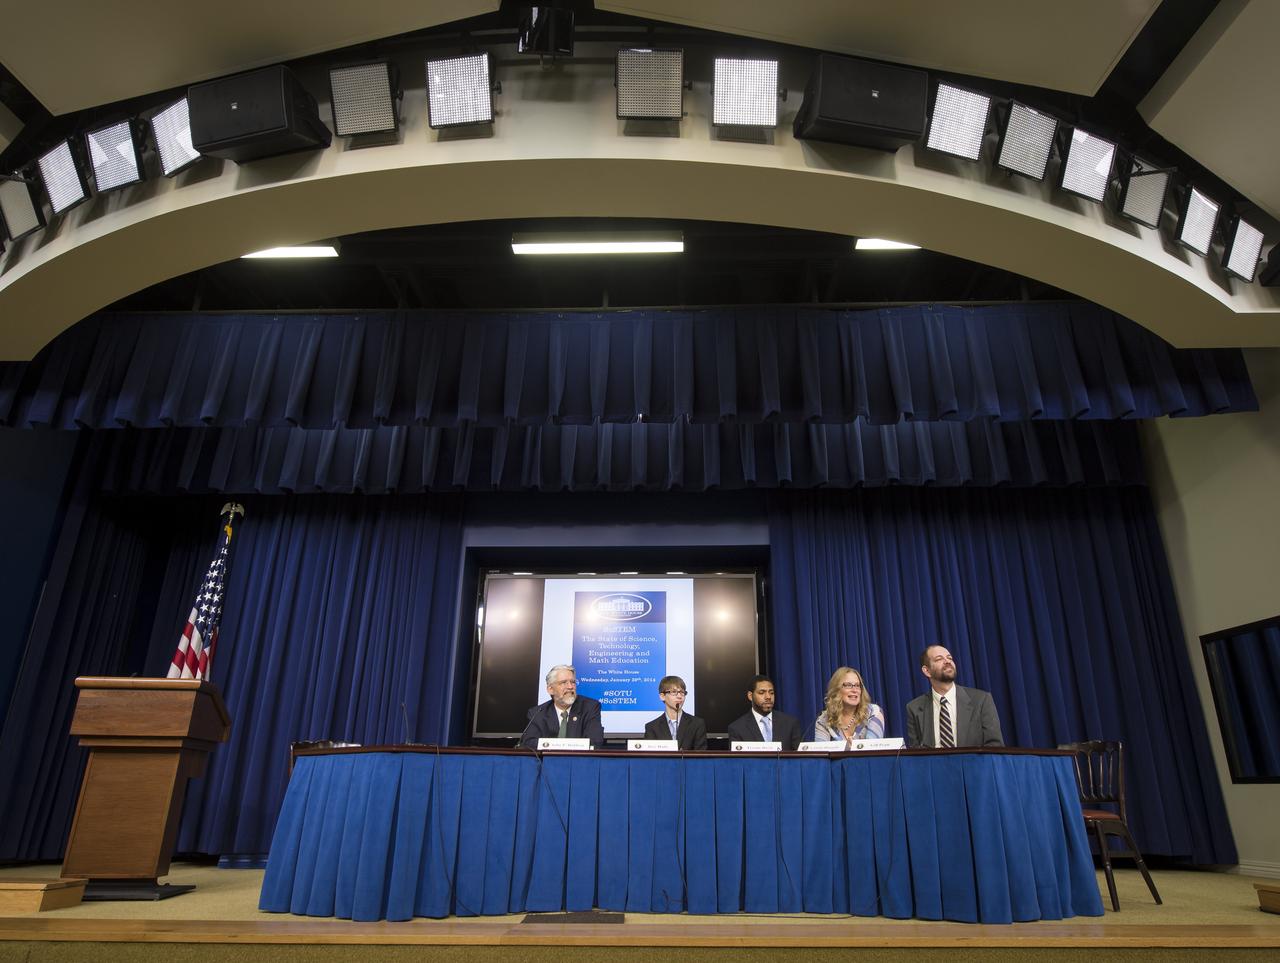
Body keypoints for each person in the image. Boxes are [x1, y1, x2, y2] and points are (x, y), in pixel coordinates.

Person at [904, 645, 1004, 748]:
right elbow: (916, 755)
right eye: (939, 659)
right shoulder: (914, 708)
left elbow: (995, 746)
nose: (947, 661)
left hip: (973, 763)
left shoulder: (981, 700)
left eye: (949, 658)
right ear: (927, 671)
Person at [521, 664, 605, 749]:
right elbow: (528, 743)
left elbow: (595, 741)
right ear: (551, 689)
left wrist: (552, 745)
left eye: (573, 682)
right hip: (547, 761)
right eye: (563, 683)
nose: (570, 687)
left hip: (578, 760)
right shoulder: (538, 712)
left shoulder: (590, 707)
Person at [726, 674, 802, 751]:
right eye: (762, 692)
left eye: (771, 693)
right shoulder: (737, 728)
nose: (768, 697)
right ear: (750, 696)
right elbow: (738, 762)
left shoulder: (790, 723)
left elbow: (800, 759)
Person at [812, 667, 886, 746]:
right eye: (848, 685)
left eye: (857, 685)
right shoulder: (823, 720)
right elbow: (821, 754)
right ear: (836, 690)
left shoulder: (873, 712)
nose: (854, 690)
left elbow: (872, 749)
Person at [642, 675, 708, 749]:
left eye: (682, 692)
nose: (679, 696)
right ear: (662, 696)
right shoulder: (652, 727)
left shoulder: (697, 724)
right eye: (674, 692)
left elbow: (700, 757)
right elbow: (650, 758)